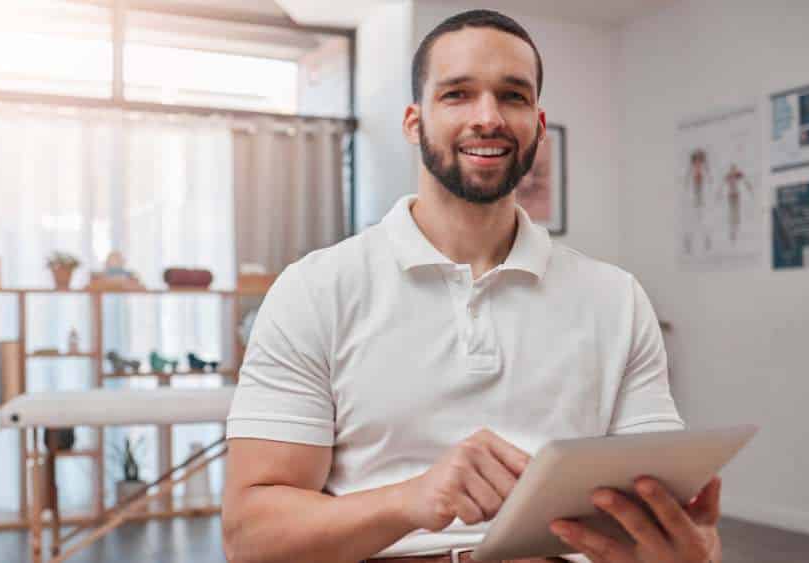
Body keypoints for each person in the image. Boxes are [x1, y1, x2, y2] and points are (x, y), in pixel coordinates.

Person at [222, 9, 723, 563]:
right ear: (414, 121)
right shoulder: (314, 291)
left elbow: (652, 503)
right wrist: (411, 500)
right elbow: (251, 537)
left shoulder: (618, 299)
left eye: (512, 96)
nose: (489, 118)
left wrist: (682, 548)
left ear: (536, 120)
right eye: (457, 94)